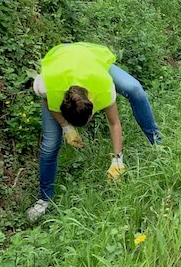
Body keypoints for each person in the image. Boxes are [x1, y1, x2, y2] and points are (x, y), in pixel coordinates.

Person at [26, 42, 162, 221]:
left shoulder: (103, 86)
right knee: (50, 144)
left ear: (92, 103)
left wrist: (118, 160)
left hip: (90, 59)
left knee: (135, 89)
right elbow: (46, 100)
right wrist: (65, 126)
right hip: (61, 64)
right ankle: (44, 200)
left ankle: (159, 145)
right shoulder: (45, 84)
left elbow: (114, 123)